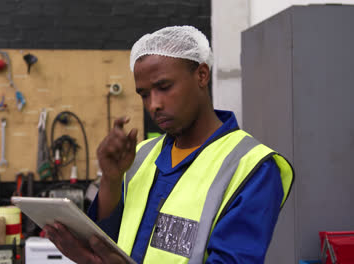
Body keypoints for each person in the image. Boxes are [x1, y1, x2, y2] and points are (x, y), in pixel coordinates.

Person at [44, 25, 294, 264]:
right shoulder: (140, 156)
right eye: (144, 94)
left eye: (164, 87)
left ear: (202, 75)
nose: (153, 104)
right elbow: (107, 239)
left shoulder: (252, 167)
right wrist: (111, 179)